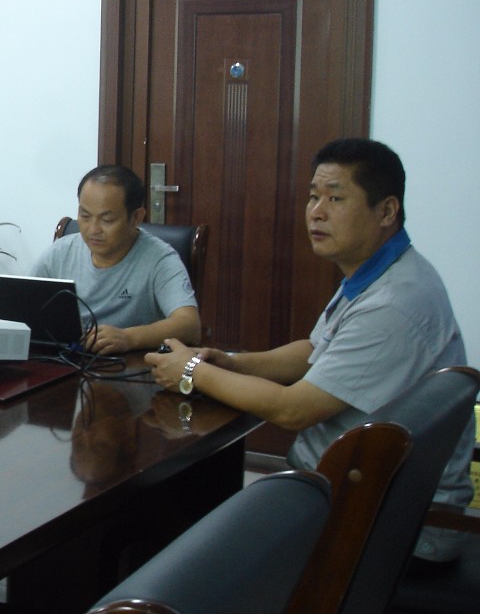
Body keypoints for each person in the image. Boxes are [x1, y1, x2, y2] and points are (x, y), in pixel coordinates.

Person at [146, 137, 473, 564]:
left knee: (192, 545)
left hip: (382, 519)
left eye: (335, 198)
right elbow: (316, 349)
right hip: (354, 489)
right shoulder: (382, 271)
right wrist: (231, 363)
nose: (316, 211)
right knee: (188, 515)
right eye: (314, 196)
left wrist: (192, 370)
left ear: (386, 211)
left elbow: (293, 410)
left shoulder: (394, 303)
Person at [32, 165, 201, 354]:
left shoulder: (160, 259)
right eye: (85, 216)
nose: (93, 229)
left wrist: (129, 338)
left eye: (107, 220)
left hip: (129, 364)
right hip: (65, 359)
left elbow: (190, 325)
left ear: (136, 217)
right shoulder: (61, 252)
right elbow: (23, 305)